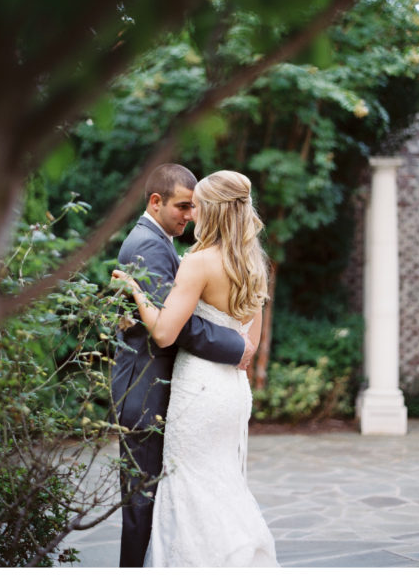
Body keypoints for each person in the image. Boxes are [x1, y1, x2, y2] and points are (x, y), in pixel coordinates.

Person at [112, 169, 278, 567]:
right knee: (222, 483)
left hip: (198, 390)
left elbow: (167, 333)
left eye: (196, 205)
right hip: (233, 391)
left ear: (212, 210)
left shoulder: (198, 261)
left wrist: (135, 292)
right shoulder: (255, 262)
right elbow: (250, 342)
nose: (191, 213)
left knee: (188, 488)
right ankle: (236, 556)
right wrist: (237, 347)